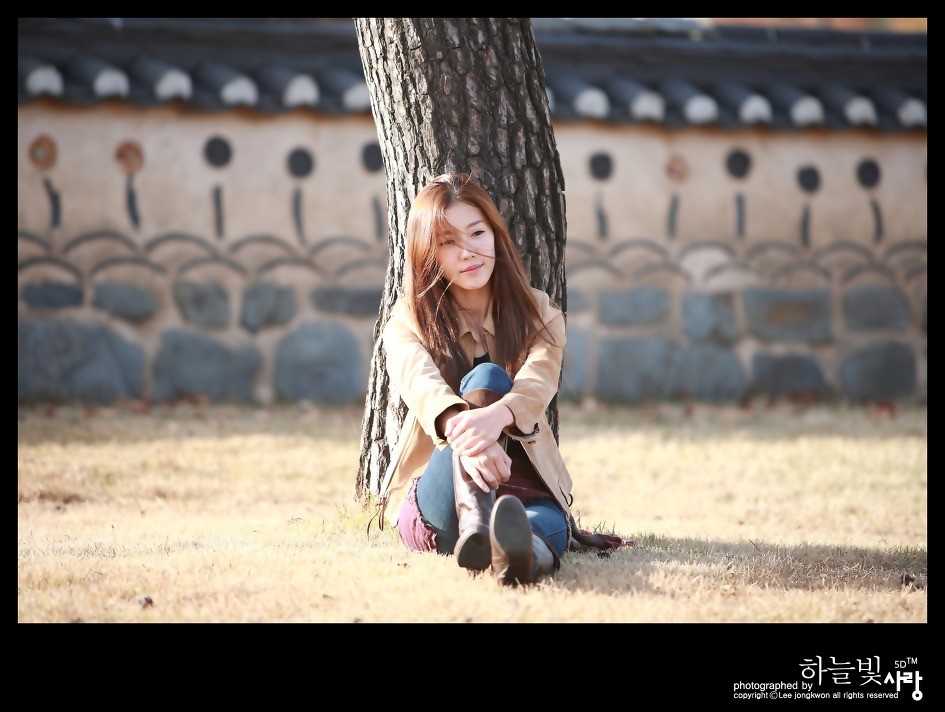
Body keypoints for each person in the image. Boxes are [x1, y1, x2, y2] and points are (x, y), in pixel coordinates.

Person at [375, 172, 610, 586]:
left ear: (496, 236)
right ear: (428, 253)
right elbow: (421, 385)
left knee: (544, 526)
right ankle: (476, 526)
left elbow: (538, 383)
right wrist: (469, 439)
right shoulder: (408, 321)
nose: (468, 252)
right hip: (440, 500)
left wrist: (495, 417)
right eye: (448, 242)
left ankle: (519, 556)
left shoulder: (539, 314)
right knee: (487, 376)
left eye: (477, 233)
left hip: (519, 483)